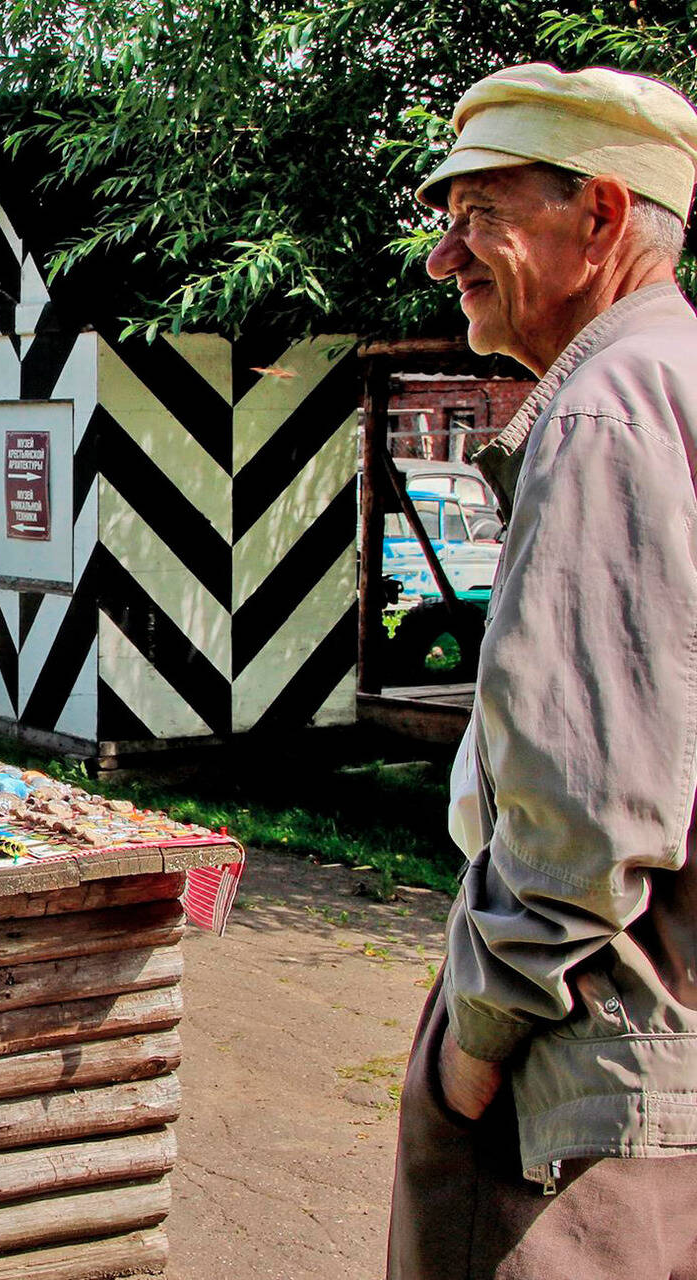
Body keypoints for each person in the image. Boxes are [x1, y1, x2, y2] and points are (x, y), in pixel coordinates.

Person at [387, 64, 697, 1278]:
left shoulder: (605, 406)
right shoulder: (676, 373)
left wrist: (481, 1031)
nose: (442, 256)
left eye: (477, 214)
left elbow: (586, 800)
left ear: (601, 217)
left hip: (581, 1050)